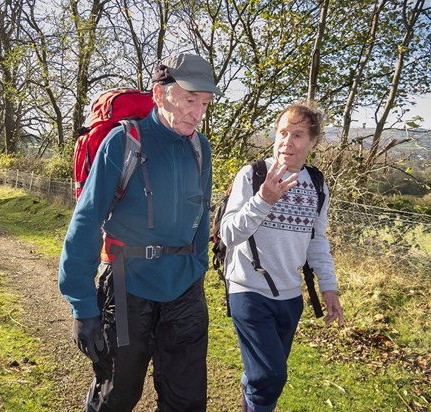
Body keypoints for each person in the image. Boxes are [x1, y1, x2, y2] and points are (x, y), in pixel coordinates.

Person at [58, 53, 221, 411]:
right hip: (127, 286)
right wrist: (83, 307)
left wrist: (198, 267)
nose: (199, 113)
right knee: (117, 395)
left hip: (185, 292)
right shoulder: (123, 142)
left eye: (205, 103)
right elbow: (85, 223)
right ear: (160, 95)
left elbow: (201, 212)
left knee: (188, 400)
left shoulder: (200, 147)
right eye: (190, 100)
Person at [220, 102, 344, 412]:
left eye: (298, 135)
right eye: (282, 132)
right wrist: (263, 200)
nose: (287, 141)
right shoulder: (252, 175)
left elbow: (316, 240)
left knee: (263, 378)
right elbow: (229, 234)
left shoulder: (317, 185)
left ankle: (251, 395)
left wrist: (329, 287)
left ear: (313, 142)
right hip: (247, 290)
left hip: (290, 298)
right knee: (272, 375)